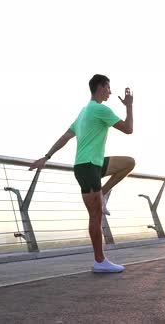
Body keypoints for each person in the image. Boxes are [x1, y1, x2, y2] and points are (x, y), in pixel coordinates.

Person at [29, 74, 135, 273]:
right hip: (88, 167)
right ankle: (100, 261)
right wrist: (129, 105)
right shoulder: (100, 109)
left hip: (92, 163)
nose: (111, 92)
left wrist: (46, 156)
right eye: (109, 88)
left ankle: (103, 193)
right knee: (95, 215)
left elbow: (66, 136)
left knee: (129, 163)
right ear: (101, 87)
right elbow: (128, 129)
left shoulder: (84, 112)